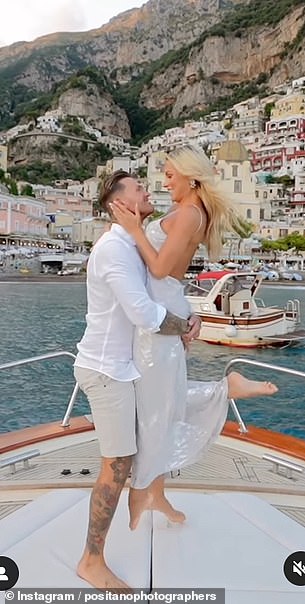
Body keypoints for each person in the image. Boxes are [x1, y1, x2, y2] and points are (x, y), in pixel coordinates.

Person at [111, 144, 278, 530]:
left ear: (190, 177)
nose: (164, 181)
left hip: (158, 316)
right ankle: (156, 494)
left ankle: (225, 389)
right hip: (167, 309)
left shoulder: (188, 213)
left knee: (155, 409)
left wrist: (135, 230)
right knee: (162, 405)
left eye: (170, 174)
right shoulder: (188, 211)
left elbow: (159, 270)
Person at [73, 170, 201, 590]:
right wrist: (183, 326)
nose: (149, 190)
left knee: (137, 446)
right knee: (117, 463)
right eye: (139, 188)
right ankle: (91, 561)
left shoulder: (133, 246)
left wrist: (188, 314)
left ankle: (149, 496)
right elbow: (145, 315)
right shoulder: (114, 250)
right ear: (120, 203)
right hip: (106, 370)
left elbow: (161, 292)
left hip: (123, 368)